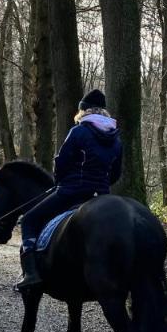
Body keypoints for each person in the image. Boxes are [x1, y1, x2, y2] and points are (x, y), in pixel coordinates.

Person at [17, 89, 123, 290]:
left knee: (30, 219)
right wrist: (102, 185)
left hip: (72, 191)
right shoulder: (116, 139)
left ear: (83, 111)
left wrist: (60, 182)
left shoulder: (78, 131)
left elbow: (62, 162)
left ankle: (31, 274)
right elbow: (116, 173)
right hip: (100, 196)